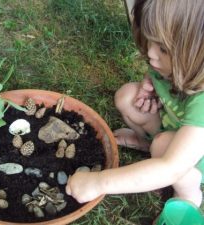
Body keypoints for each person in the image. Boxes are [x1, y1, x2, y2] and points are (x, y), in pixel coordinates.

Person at [66, 0, 204, 209]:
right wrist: (150, 85)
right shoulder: (179, 65)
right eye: (150, 40)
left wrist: (99, 182)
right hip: (170, 128)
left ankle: (188, 196)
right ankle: (148, 145)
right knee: (127, 97)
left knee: (164, 148)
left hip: (192, 158)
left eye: (163, 49)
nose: (150, 53)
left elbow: (171, 167)